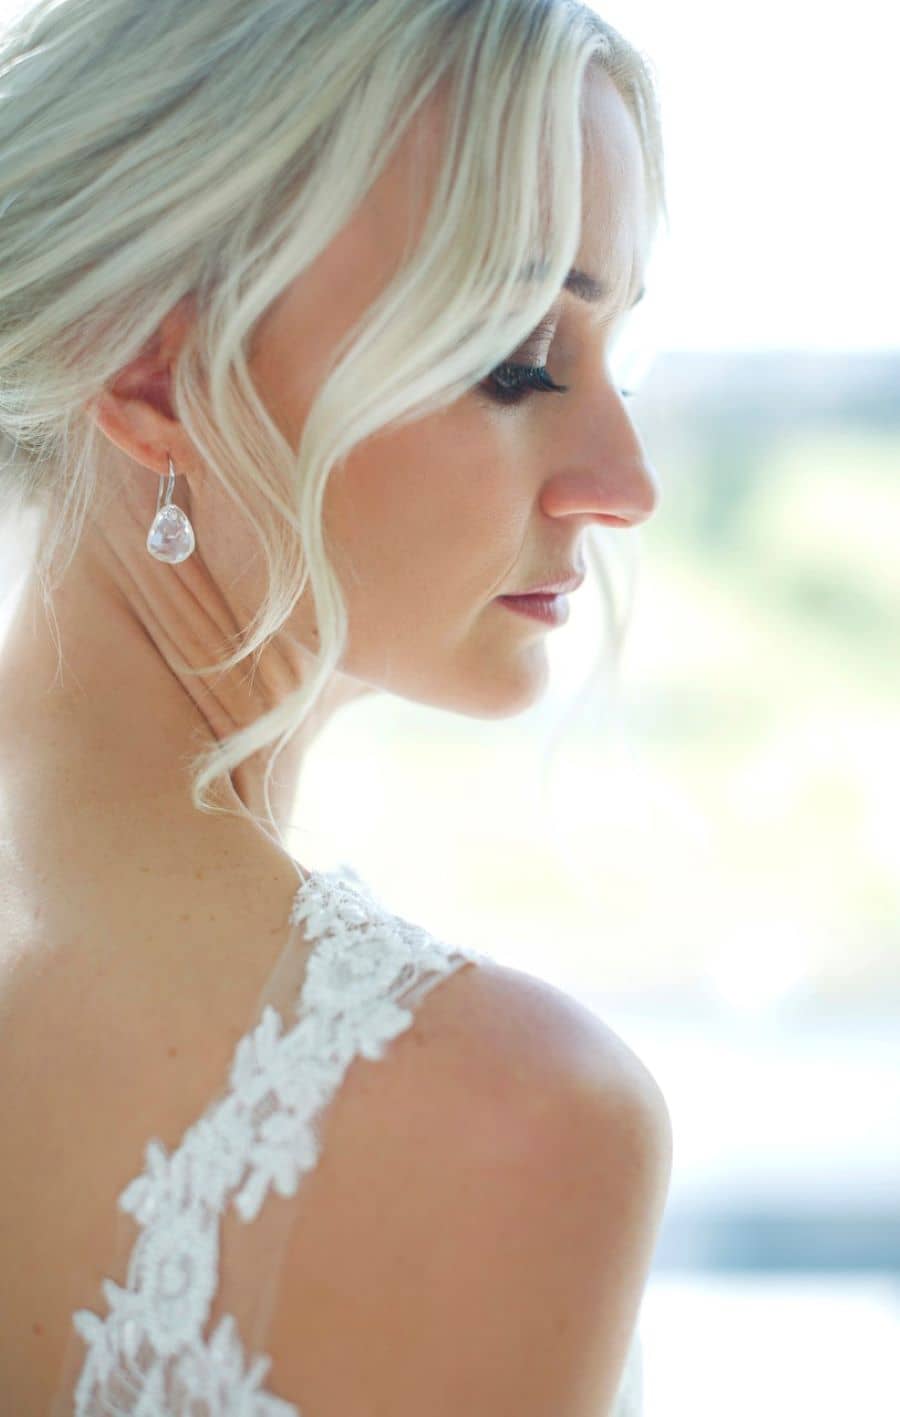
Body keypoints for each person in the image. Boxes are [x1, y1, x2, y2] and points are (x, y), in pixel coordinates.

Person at [0, 0, 672, 1411]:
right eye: (518, 362)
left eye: (614, 360)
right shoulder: (522, 1124)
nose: (623, 481)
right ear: (155, 372)